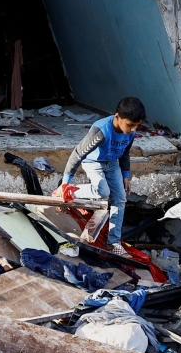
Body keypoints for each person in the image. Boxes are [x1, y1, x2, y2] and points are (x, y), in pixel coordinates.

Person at [58, 97, 146, 257]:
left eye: (136, 126)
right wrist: (65, 183)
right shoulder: (101, 131)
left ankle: (114, 242)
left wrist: (126, 175)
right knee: (103, 192)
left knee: (120, 198)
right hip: (94, 162)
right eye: (130, 125)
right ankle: (71, 192)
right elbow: (77, 154)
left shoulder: (130, 133)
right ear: (117, 117)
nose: (133, 129)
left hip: (112, 164)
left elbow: (125, 153)